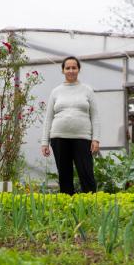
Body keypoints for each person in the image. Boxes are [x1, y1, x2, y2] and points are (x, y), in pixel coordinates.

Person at [41, 56, 100, 195]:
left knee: (86, 174)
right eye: (68, 68)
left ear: (79, 69)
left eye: (74, 67)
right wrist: (45, 142)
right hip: (59, 137)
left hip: (83, 137)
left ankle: (91, 206)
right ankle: (68, 208)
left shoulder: (87, 90)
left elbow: (95, 116)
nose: (71, 70)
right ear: (63, 70)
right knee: (64, 176)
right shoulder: (56, 91)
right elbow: (48, 118)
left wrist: (95, 139)